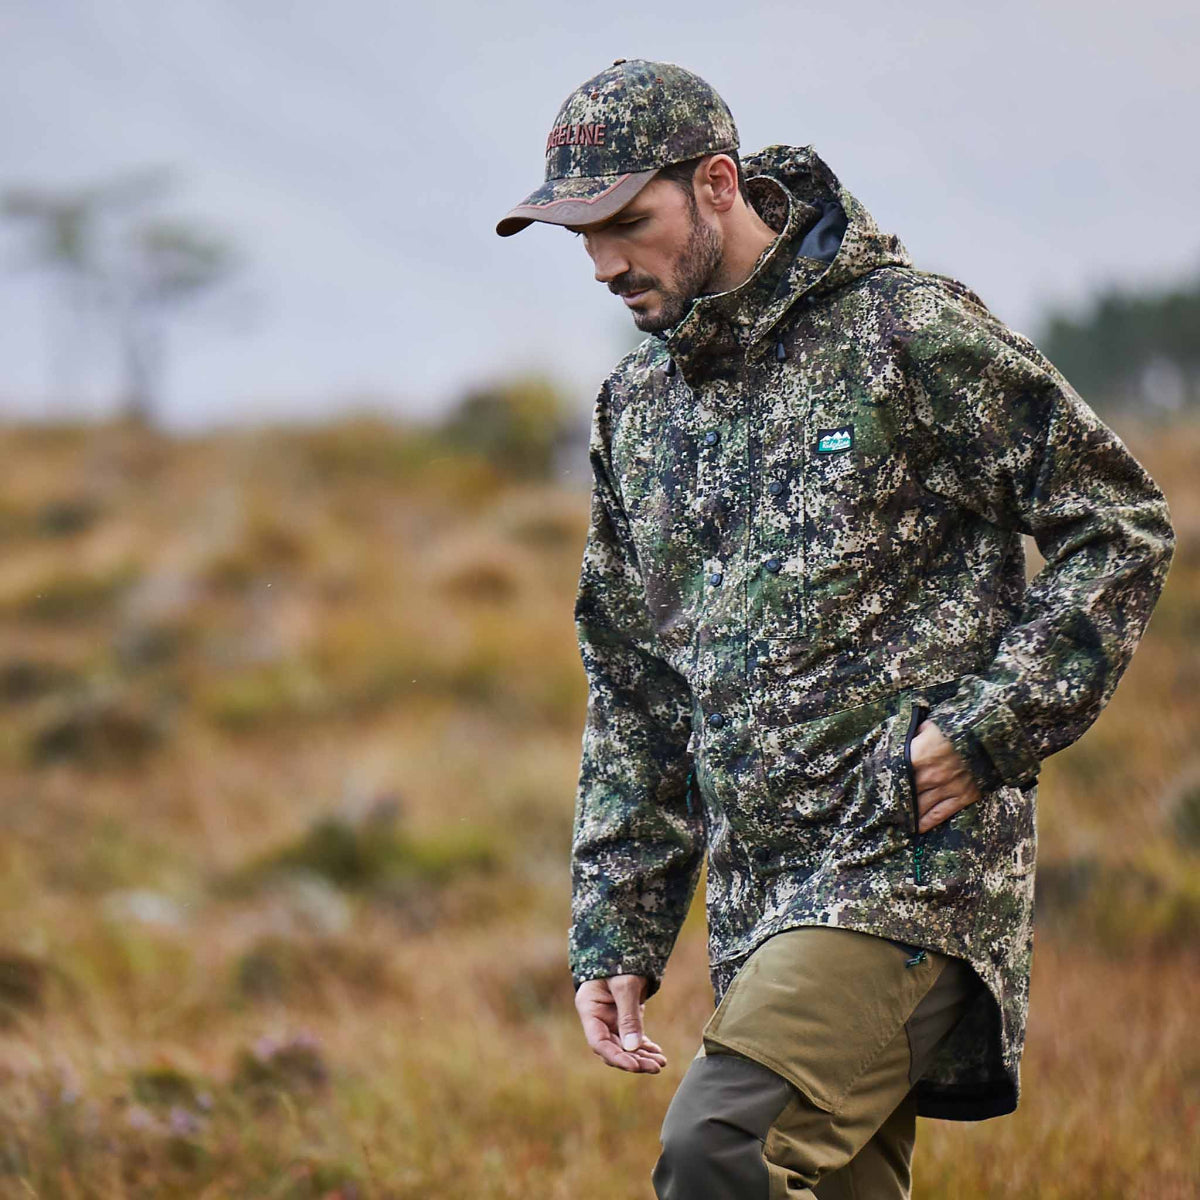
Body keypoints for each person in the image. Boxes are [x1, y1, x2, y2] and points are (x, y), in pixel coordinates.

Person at [495, 58, 1175, 1198]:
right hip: (763, 910)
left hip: (907, 880)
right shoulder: (639, 410)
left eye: (626, 220)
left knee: (722, 1152)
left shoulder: (903, 333)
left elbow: (1119, 523)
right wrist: (619, 927)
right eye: (581, 234)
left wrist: (991, 725)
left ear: (717, 184)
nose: (606, 262)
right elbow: (636, 684)